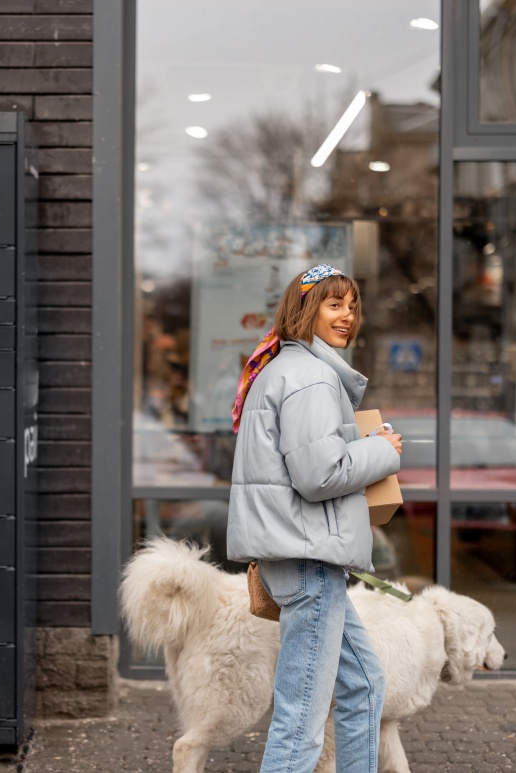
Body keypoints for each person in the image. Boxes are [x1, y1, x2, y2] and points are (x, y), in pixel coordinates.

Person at [227, 263, 403, 773]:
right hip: (308, 559)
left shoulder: (285, 369)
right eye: (333, 304)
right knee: (300, 714)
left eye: (352, 306)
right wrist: (382, 450)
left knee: (364, 683)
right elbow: (318, 474)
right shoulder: (310, 377)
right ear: (305, 310)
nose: (347, 315)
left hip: (301, 557)